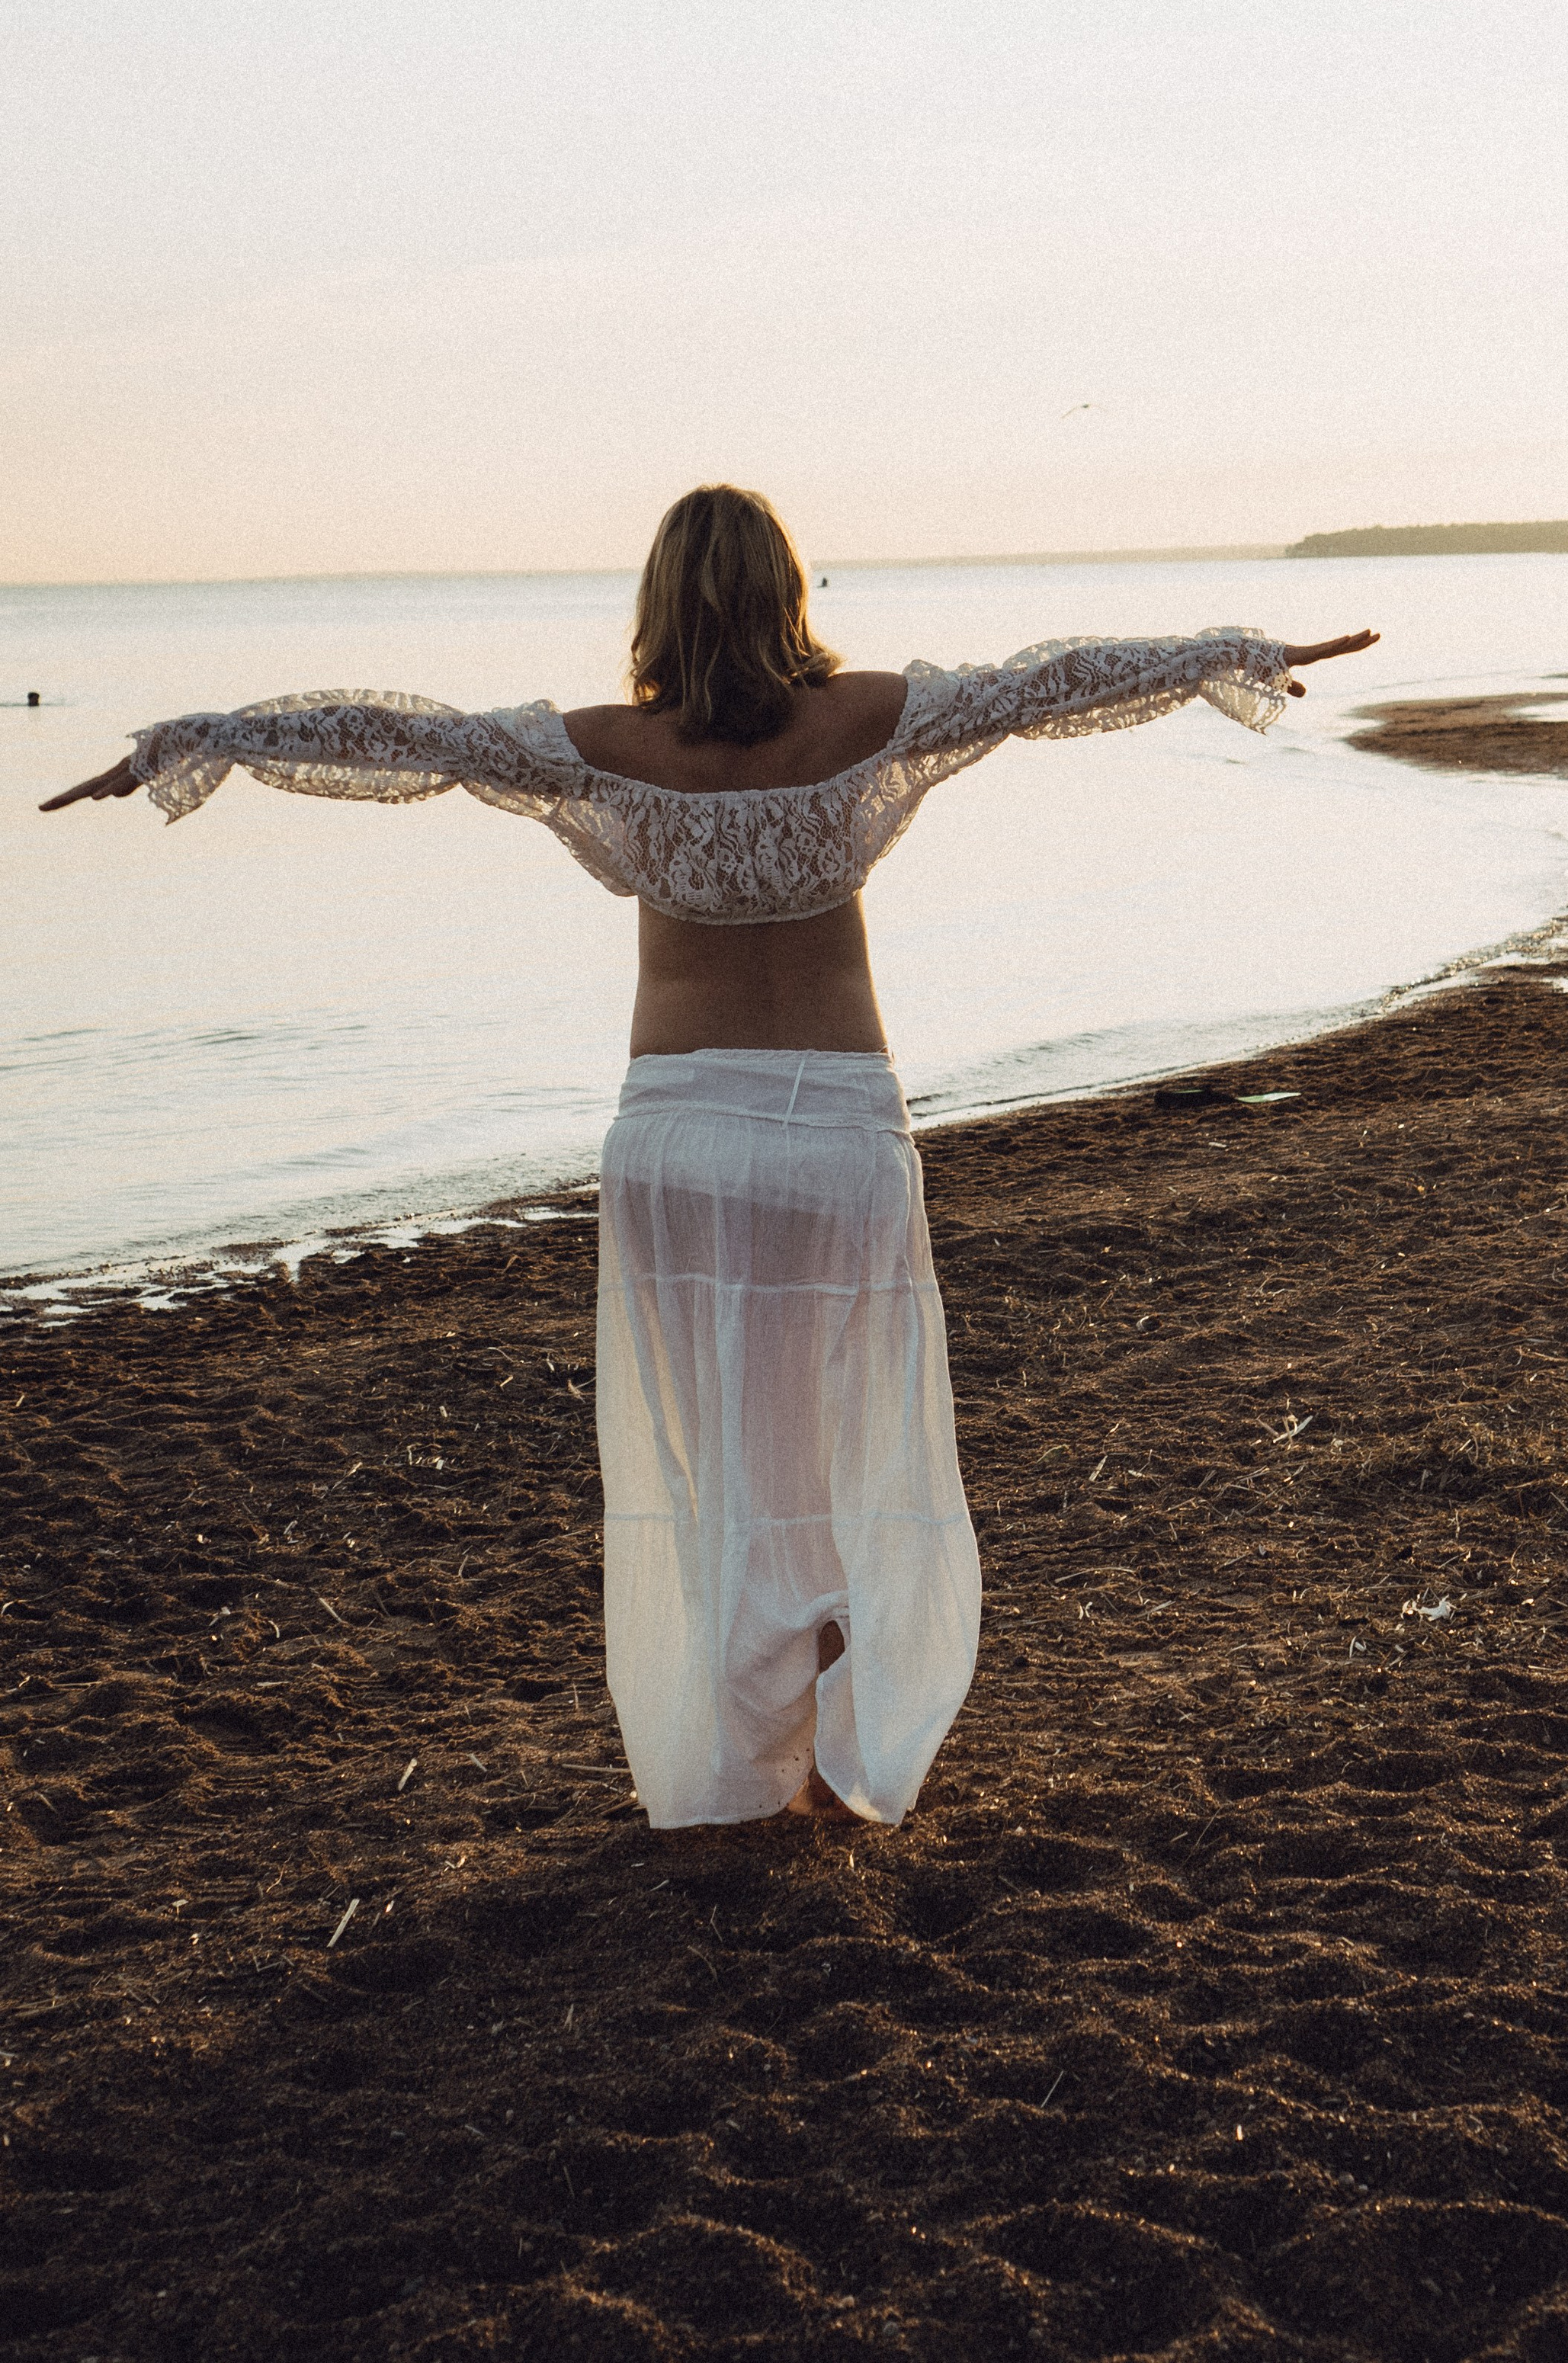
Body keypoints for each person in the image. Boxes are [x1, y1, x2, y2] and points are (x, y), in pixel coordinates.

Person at [43, 485, 1378, 1829]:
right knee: (852, 1447)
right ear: (788, 593)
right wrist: (1231, 654)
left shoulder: (610, 746)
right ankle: (840, 1743)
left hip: (676, 1141)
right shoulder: (866, 719)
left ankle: (754, 1766)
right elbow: (1048, 685)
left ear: (660, 604)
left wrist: (195, 743)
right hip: (836, 1133)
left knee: (722, 1469)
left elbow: (408, 738)